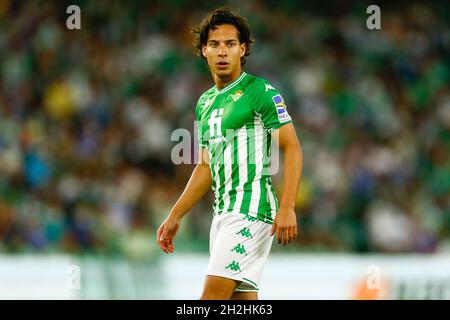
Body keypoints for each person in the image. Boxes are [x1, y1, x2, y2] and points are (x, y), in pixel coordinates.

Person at [156, 7, 303, 300]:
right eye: (214, 44)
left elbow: (292, 147)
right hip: (223, 213)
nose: (222, 51)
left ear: (242, 49)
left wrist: (287, 206)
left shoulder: (259, 91)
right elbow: (206, 165)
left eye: (230, 44)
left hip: (250, 209)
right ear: (203, 50)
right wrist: (175, 215)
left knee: (209, 300)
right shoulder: (205, 102)